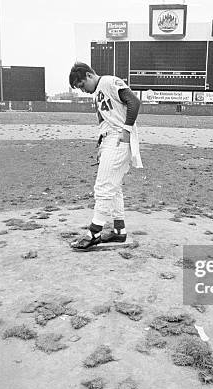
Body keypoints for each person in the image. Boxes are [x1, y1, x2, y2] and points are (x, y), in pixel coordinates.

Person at [68, 62, 143, 250]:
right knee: (114, 187)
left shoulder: (109, 81)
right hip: (110, 140)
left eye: (82, 85)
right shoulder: (97, 94)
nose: (82, 90)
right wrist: (102, 146)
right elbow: (106, 122)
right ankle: (119, 231)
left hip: (119, 139)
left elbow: (134, 101)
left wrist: (126, 130)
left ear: (89, 75)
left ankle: (94, 232)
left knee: (103, 187)